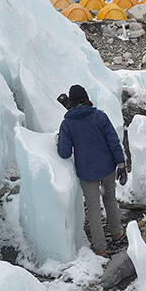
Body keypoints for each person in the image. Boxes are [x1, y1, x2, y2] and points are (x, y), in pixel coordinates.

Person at [57, 85, 127, 257]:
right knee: (110, 198)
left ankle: (100, 247)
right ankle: (117, 233)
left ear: (71, 102)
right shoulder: (100, 116)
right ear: (86, 97)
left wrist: (59, 140)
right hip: (108, 167)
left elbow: (64, 152)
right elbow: (113, 142)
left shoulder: (67, 123)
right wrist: (121, 165)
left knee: (93, 208)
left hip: (87, 173)